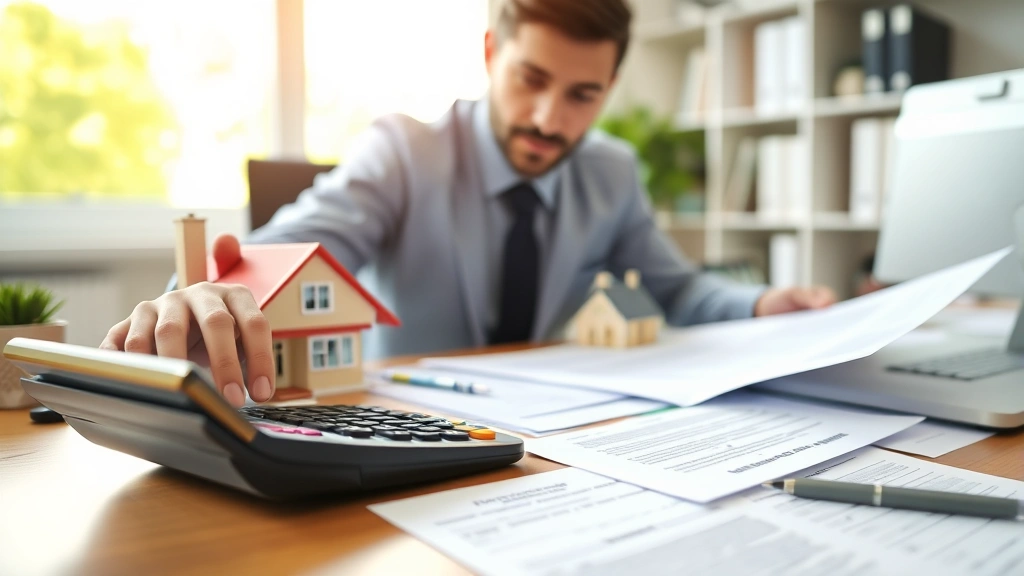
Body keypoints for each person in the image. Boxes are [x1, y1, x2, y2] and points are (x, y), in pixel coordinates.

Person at [100, 0, 836, 407]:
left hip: (553, 434)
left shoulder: (611, 172)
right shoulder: (404, 151)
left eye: (583, 94)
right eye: (531, 79)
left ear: (609, 90)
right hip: (407, 426)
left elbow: (676, 287)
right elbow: (292, 252)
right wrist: (209, 298)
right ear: (490, 54)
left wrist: (764, 302)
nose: (550, 119)